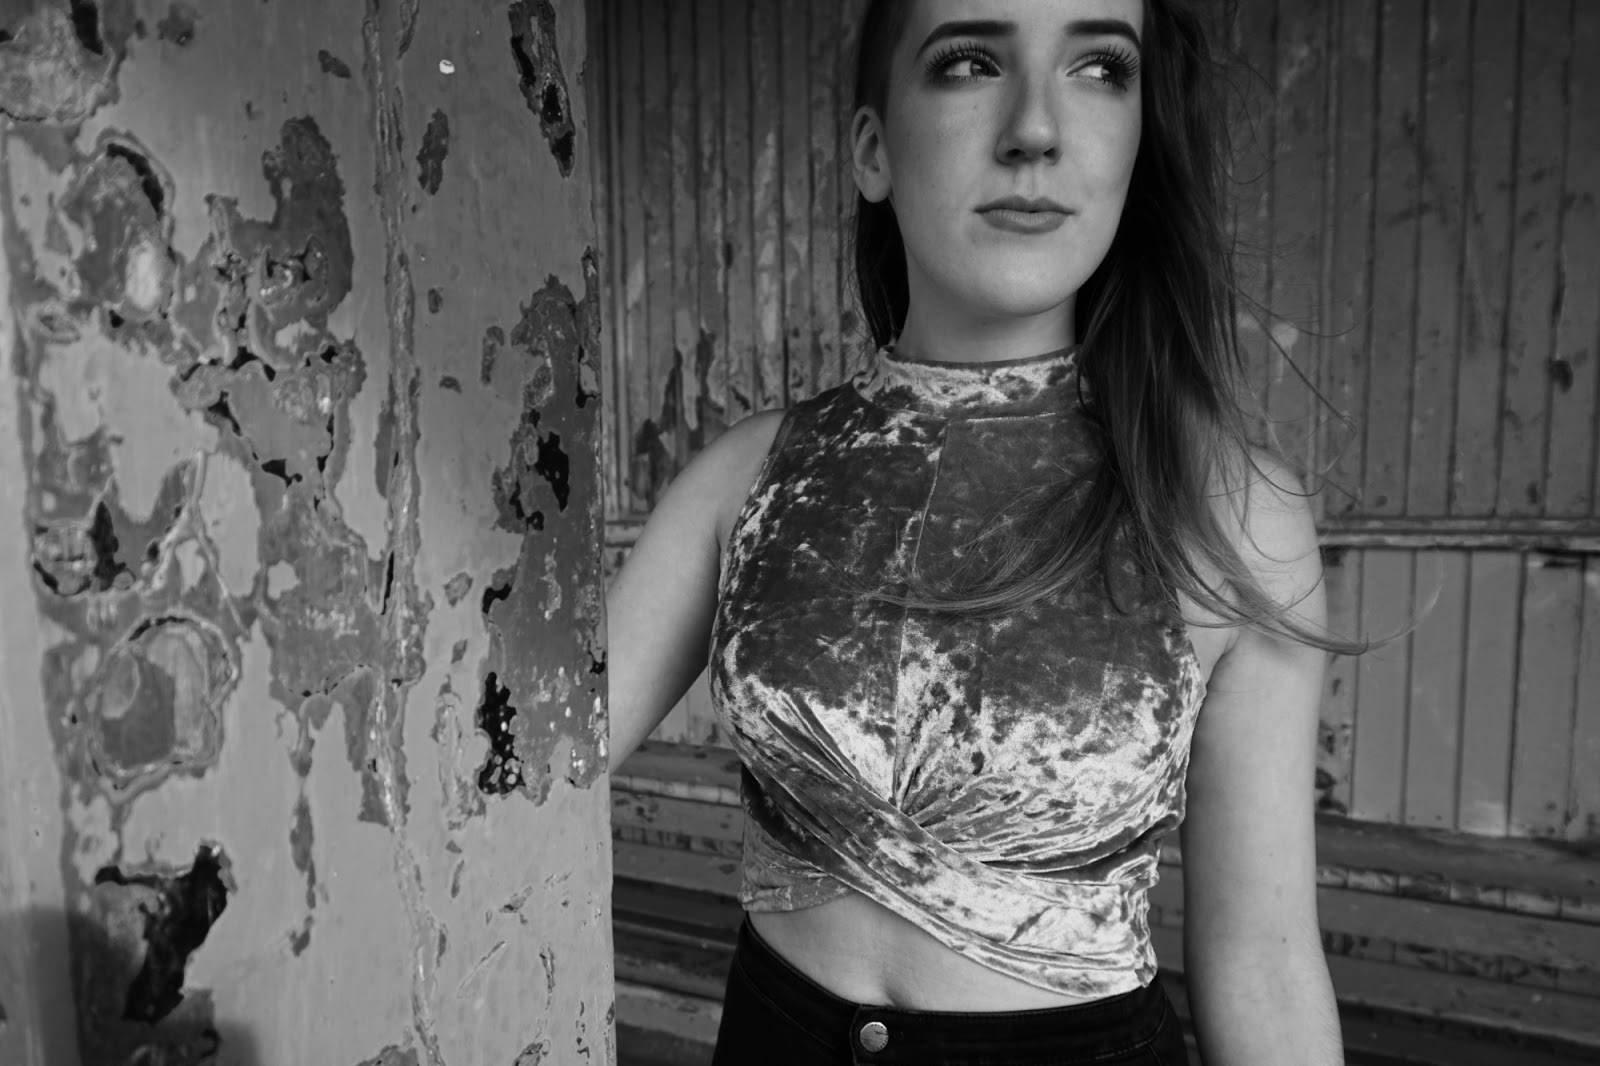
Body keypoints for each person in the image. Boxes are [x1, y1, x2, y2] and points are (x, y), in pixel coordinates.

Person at [605, 0, 1347, 1062]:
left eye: (1100, 68)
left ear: (1138, 140)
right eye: (968, 62)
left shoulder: (1231, 512)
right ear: (872, 151)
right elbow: (528, 758)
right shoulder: (748, 477)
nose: (1035, 128)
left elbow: (1263, 961)